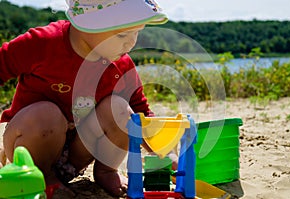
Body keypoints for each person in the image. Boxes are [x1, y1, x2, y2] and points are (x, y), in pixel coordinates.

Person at [0, 0, 169, 197]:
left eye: (137, 32)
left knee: (120, 109)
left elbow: (140, 110)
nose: (131, 43)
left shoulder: (120, 65)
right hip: (31, 146)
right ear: (87, 25)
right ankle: (44, 177)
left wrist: (162, 149)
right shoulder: (43, 43)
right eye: (122, 34)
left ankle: (107, 170)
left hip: (77, 154)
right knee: (47, 114)